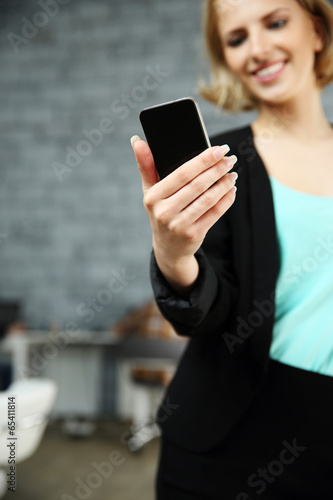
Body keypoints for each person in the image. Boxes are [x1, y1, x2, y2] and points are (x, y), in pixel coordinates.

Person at [131, 0, 333, 498]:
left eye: (276, 22)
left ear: (318, 31)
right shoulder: (221, 165)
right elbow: (207, 310)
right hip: (226, 440)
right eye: (237, 38)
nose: (258, 50)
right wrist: (175, 254)